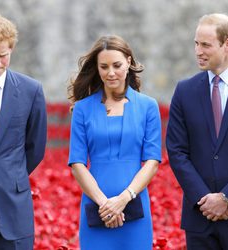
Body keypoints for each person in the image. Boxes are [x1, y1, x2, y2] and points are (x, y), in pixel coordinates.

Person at [68, 35, 161, 250]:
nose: (110, 73)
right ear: (97, 68)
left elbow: (152, 161)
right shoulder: (82, 109)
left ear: (128, 62)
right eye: (104, 66)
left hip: (135, 206)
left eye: (117, 65)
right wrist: (105, 204)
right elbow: (77, 163)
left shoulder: (148, 106)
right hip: (96, 206)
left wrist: (124, 199)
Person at [0, 14, 47, 249]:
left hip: (13, 203)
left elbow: (35, 146)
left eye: (3, 56)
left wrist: (9, 174)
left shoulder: (31, 90)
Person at [166, 13, 228, 249]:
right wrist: (206, 199)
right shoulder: (184, 91)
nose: (198, 51)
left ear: (227, 44)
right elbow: (176, 150)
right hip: (198, 217)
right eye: (196, 43)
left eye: (206, 45)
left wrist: (225, 198)